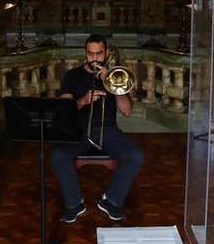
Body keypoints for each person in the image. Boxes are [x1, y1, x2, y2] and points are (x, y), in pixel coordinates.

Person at [51, 34, 144, 223]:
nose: (94, 59)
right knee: (58, 155)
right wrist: (83, 101)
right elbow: (63, 111)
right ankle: (74, 204)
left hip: (108, 130)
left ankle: (111, 201)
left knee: (136, 156)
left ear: (106, 53)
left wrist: (114, 87)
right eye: (90, 54)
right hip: (79, 130)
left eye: (99, 54)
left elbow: (127, 111)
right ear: (85, 53)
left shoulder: (114, 75)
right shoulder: (72, 76)